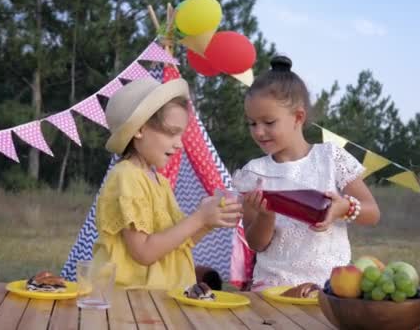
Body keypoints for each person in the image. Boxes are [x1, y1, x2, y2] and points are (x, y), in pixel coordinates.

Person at [239, 55, 381, 290]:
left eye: (269, 122)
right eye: (252, 123)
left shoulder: (330, 158)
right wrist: (265, 216)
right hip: (273, 289)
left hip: (330, 288)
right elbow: (256, 244)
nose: (259, 132)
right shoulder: (254, 173)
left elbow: (373, 213)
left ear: (298, 117)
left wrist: (343, 208)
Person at [91, 77, 242, 290]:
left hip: (158, 297)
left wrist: (208, 221)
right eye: (171, 132)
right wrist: (199, 218)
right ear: (140, 129)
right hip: (131, 300)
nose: (179, 144)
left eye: (181, 134)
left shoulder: (159, 181)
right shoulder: (126, 176)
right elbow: (144, 252)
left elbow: (175, 242)